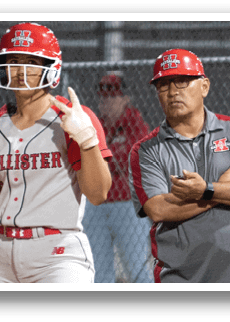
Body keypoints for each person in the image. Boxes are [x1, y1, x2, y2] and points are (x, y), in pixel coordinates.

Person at [0, 22, 113, 283]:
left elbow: (98, 193)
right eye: (13, 60)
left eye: (31, 61)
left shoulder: (73, 118)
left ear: (50, 66)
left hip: (57, 252)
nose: (20, 70)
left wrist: (87, 141)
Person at [128, 48, 230, 283]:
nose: (172, 92)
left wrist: (205, 190)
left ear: (204, 86)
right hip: (181, 278)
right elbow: (159, 209)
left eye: (182, 81)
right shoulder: (146, 150)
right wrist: (219, 191)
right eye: (164, 85)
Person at [82, 74, 153, 283]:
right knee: (97, 270)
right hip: (97, 204)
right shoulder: (96, 124)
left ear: (125, 98)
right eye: (103, 98)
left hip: (127, 205)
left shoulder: (135, 122)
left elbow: (133, 158)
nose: (106, 102)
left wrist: (102, 159)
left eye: (112, 97)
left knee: (136, 268)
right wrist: (108, 158)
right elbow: (88, 160)